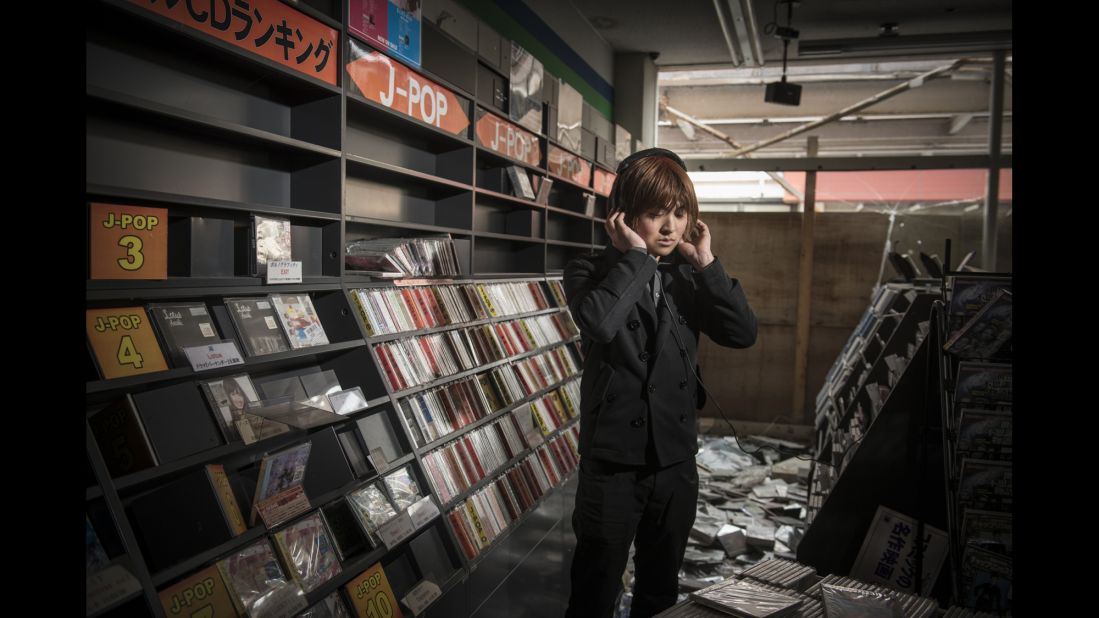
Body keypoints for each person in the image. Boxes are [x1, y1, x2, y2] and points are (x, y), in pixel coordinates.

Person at [563, 148, 758, 618]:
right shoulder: (589, 272)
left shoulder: (690, 279)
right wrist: (635, 256)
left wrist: (707, 265)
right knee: (594, 592)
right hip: (612, 466)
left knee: (659, 592)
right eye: (654, 214)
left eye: (680, 213)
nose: (670, 227)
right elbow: (602, 325)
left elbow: (741, 334)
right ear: (625, 216)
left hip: (674, 462)